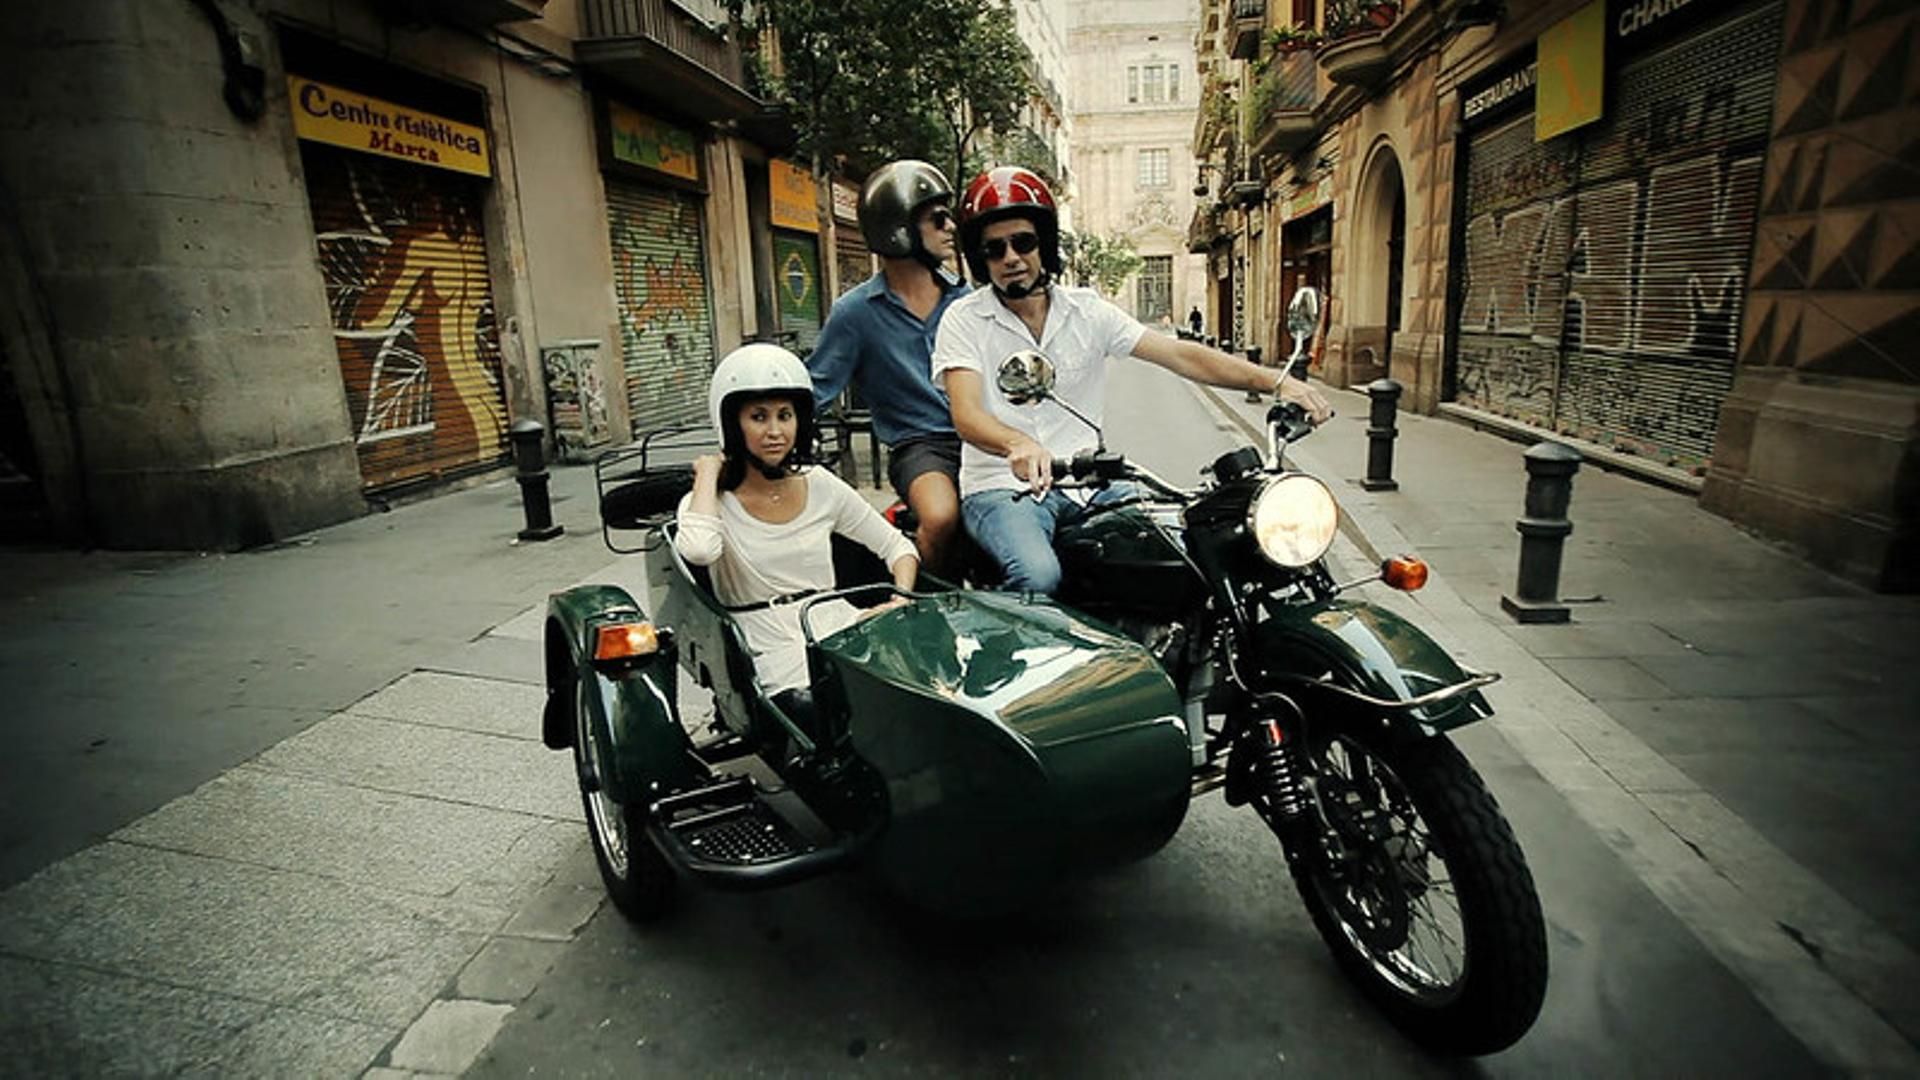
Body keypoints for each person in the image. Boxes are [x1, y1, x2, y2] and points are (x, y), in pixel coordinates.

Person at [932, 166, 1333, 595]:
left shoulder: (1086, 311)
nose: (1010, 257)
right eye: (994, 249)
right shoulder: (965, 319)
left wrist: (1276, 381)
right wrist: (1017, 443)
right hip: (1001, 489)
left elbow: (1180, 355)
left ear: (1043, 245)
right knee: (1039, 575)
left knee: (1184, 550)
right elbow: (967, 412)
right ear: (981, 259)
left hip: (1089, 482)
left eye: (1023, 242)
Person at [676, 343, 918, 719]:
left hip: (835, 622)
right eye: (758, 417)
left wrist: (899, 599)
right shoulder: (707, 502)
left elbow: (896, 546)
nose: (775, 431)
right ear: (732, 424)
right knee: (822, 716)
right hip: (764, 642)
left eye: (785, 416)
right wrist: (707, 474)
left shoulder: (820, 483)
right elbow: (699, 551)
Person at [807, 160, 969, 579]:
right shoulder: (855, 313)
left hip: (982, 436)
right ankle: (926, 604)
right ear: (898, 229)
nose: (950, 226)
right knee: (940, 516)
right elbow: (815, 389)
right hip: (920, 446)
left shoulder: (967, 300)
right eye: (937, 218)